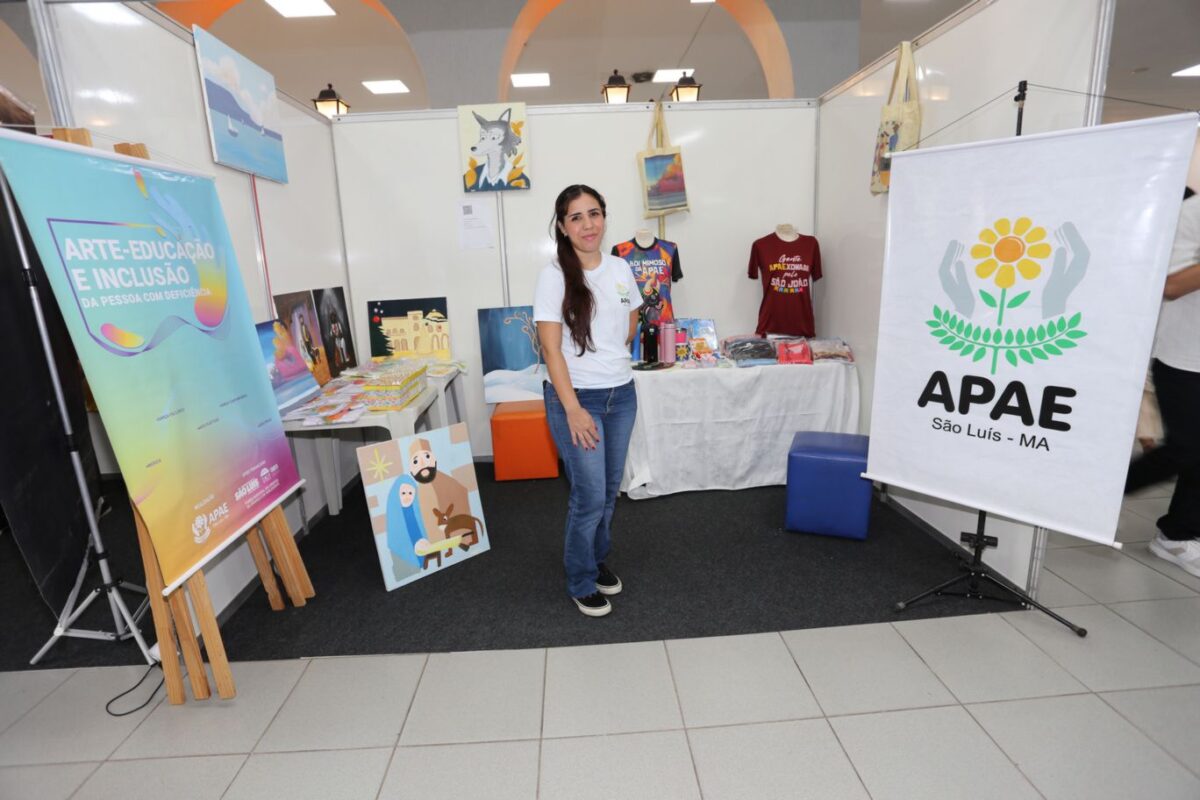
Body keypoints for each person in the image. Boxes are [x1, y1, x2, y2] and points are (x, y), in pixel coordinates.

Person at [534, 185, 640, 617]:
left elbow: (631, 320)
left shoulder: (620, 268)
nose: (587, 224)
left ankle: (596, 562)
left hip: (623, 395)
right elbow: (551, 349)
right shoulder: (554, 276)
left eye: (594, 214)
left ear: (604, 217)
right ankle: (580, 579)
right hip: (576, 400)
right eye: (576, 217)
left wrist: (612, 358)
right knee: (589, 495)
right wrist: (574, 408)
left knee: (609, 493)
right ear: (562, 226)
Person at [1126, 187, 1200, 576]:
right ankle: (1101, 492)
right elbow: (1171, 284)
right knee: (1187, 449)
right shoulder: (1193, 211)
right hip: (1185, 356)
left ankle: (1178, 535)